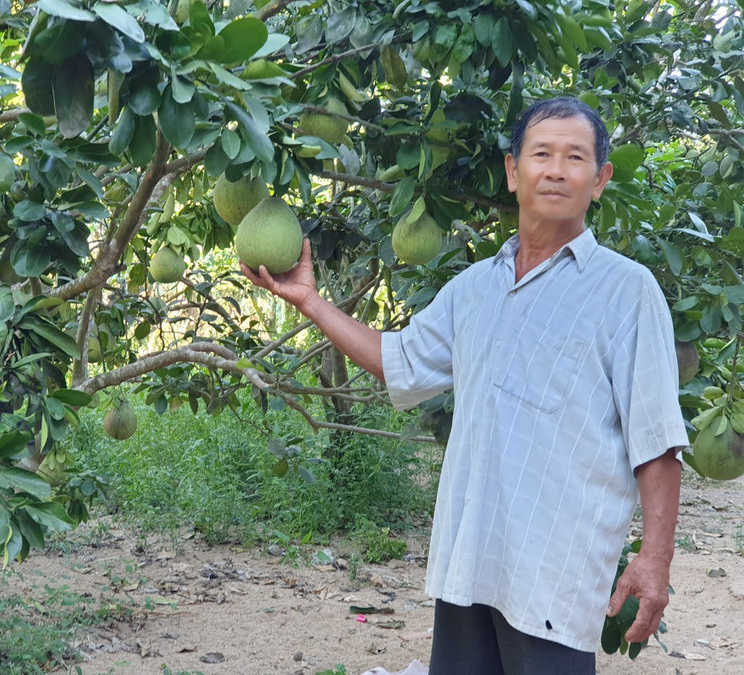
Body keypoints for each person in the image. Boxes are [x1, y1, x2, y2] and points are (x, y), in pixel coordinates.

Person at [241, 97, 690, 674]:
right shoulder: (475, 287)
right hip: (469, 560)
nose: (556, 169)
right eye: (541, 153)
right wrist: (309, 301)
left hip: (554, 573)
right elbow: (398, 359)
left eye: (575, 157)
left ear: (600, 179)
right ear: (512, 171)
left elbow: (655, 439)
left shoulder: (628, 292)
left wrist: (656, 558)